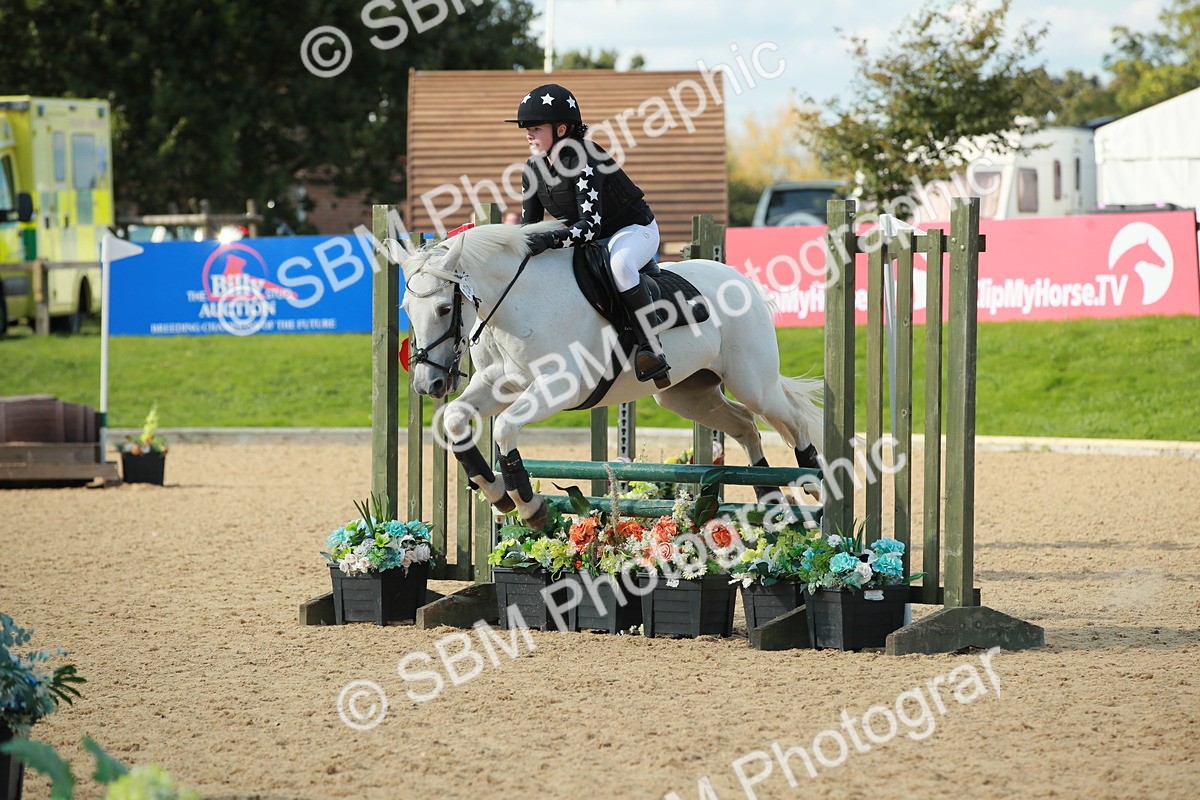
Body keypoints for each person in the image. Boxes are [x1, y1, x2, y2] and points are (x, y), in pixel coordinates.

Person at [505, 83, 669, 385]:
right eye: (527, 129)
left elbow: (589, 226)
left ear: (562, 128)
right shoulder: (531, 169)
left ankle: (652, 347)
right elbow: (530, 226)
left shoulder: (585, 159)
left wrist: (550, 240)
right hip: (590, 239)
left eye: (536, 128)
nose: (528, 134)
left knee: (619, 265)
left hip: (633, 231)